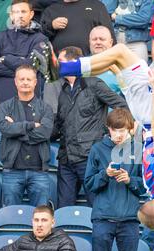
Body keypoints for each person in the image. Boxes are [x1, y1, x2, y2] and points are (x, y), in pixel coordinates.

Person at [57, 44, 154, 227]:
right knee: (114, 63)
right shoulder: (152, 186)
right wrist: (123, 82)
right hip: (144, 111)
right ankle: (70, 70)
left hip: (151, 111)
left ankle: (65, 68)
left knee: (121, 51)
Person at [53, 46, 128, 208]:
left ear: (73, 62)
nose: (58, 65)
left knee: (96, 207)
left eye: (61, 61)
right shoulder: (63, 89)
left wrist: (112, 131)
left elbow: (121, 106)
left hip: (90, 158)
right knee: (63, 209)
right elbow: (59, 124)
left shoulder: (94, 84)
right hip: (66, 158)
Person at [84, 108, 145, 251]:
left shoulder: (138, 149)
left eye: (122, 130)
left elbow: (145, 186)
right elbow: (89, 184)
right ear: (109, 128)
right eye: (115, 130)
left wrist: (129, 180)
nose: (118, 135)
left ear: (130, 129)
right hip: (103, 218)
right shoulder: (97, 149)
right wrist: (105, 174)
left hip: (130, 219)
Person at [0, 64, 54, 207]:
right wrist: (31, 125)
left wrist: (16, 128)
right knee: (10, 214)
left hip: (39, 171)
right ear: (15, 82)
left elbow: (45, 132)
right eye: (21, 79)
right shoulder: (5, 106)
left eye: (29, 79)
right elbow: (4, 128)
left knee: (41, 214)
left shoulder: (45, 108)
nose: (25, 82)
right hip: (12, 170)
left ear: (35, 82)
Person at [0, 0, 49, 104]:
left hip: (29, 102)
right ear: (11, 15)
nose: (20, 16)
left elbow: (32, 66)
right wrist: (22, 65)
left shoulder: (41, 40)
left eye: (23, 12)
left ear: (31, 14)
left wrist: (5, 59)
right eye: (16, 12)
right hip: (0, 100)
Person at [40, 0, 114, 55]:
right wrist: (51, 25)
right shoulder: (51, 10)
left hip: (92, 63)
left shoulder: (97, 6)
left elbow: (110, 36)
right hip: (61, 64)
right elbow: (41, 38)